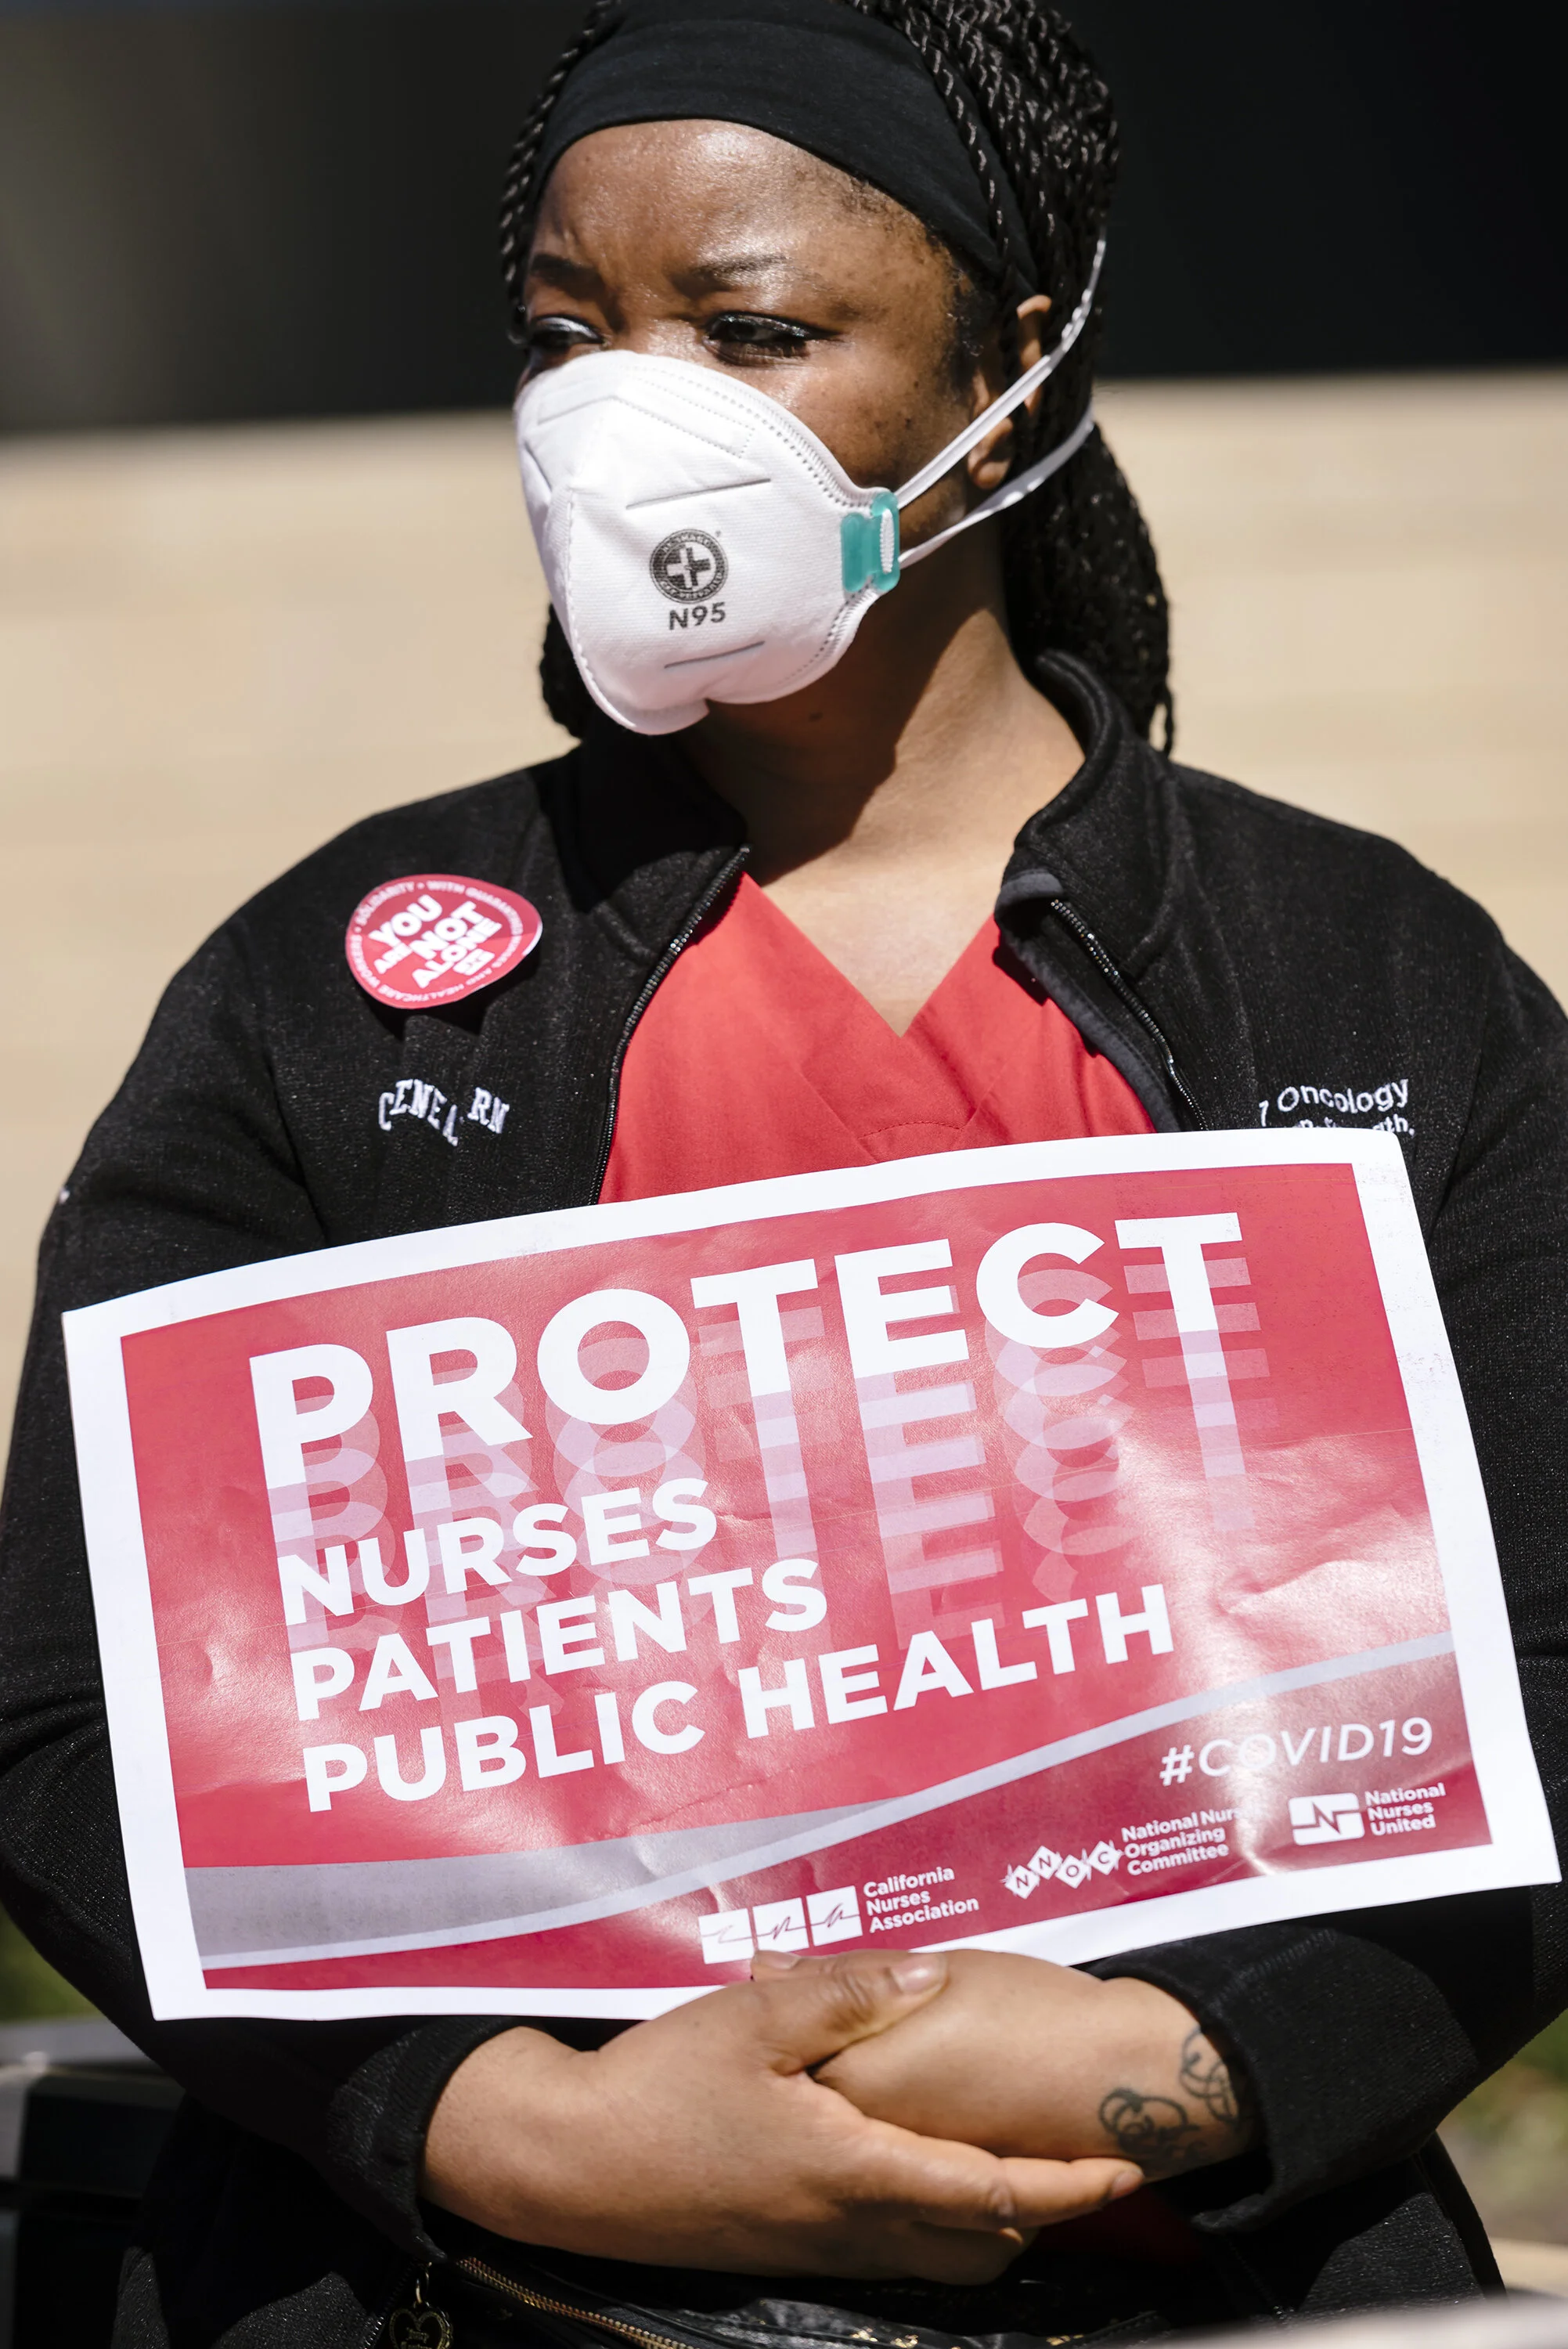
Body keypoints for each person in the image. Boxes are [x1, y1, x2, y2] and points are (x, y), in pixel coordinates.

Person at [1, 1, 1565, 2343]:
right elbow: (83, 1717)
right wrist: (501, 2118)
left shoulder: (1364, 984)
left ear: (1008, 372)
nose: (629, 417)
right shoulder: (333, 993)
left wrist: (1202, 2062)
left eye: (753, 331)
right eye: (568, 335)